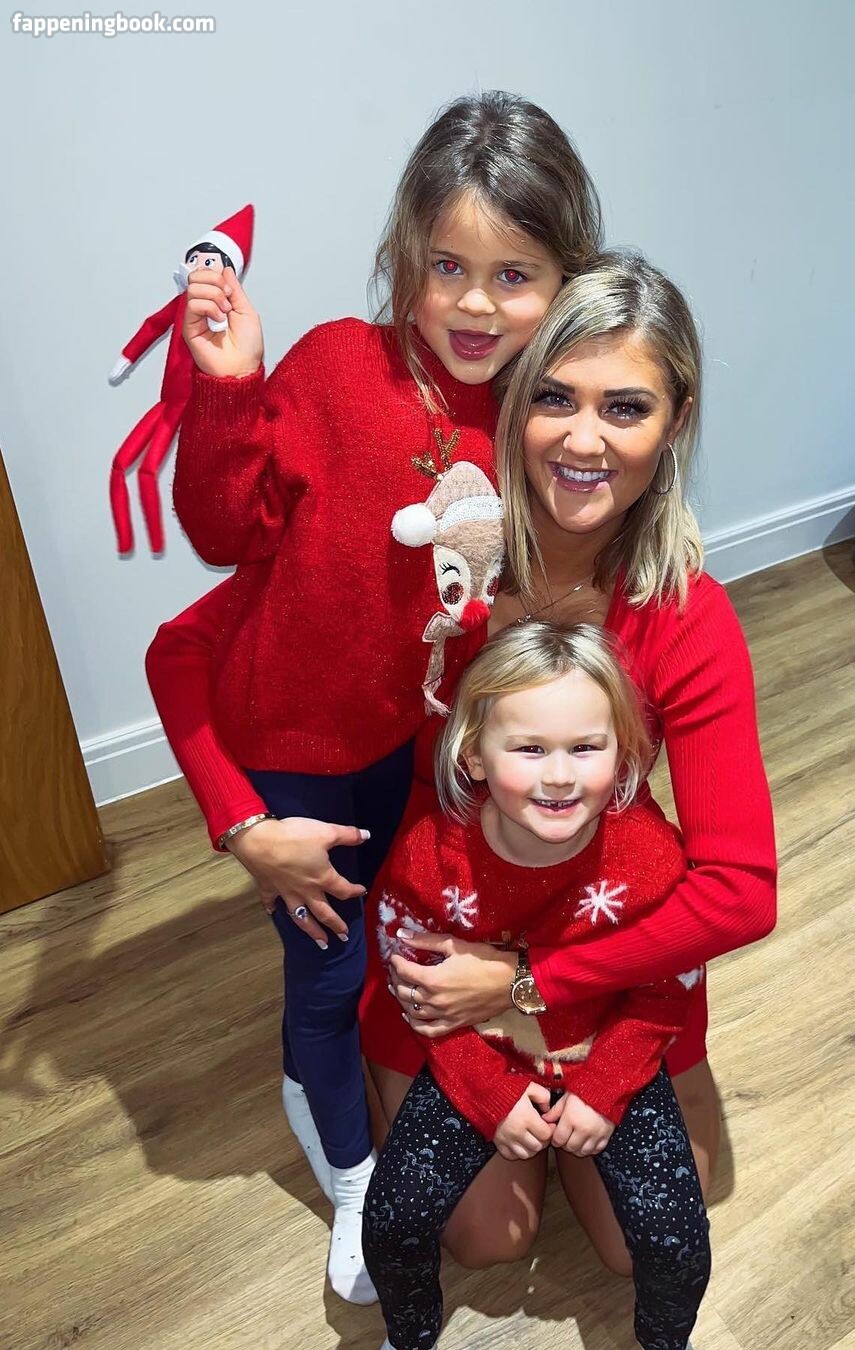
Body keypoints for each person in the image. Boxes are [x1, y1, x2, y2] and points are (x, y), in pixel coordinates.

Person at [147, 252, 776, 1279]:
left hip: (598, 935)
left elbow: (741, 891)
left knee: (650, 1240)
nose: (584, 441)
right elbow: (185, 650)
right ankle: (351, 1063)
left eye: (625, 408)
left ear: (675, 425)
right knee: (487, 1240)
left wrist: (530, 985)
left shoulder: (682, 613)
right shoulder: (431, 564)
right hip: (441, 927)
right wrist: (243, 824)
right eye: (555, 399)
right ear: (515, 406)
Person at [156, 90, 602, 1303]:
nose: (475, 303)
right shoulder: (336, 367)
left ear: (563, 280)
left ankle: (422, 1079)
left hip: (420, 751)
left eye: (514, 276)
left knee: (402, 946)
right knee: (325, 974)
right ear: (405, 255)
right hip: (292, 753)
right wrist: (228, 389)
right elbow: (219, 531)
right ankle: (353, 1177)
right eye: (448, 266)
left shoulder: (541, 416)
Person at [363, 620, 710, 1350]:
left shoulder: (652, 857)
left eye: (585, 747)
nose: (559, 776)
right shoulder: (429, 859)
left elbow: (664, 989)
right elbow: (419, 993)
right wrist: (488, 1092)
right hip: (480, 1050)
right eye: (529, 749)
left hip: (607, 1049)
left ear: (623, 752)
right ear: (473, 754)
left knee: (675, 1239)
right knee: (394, 1218)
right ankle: (410, 1336)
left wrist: (605, 1087)